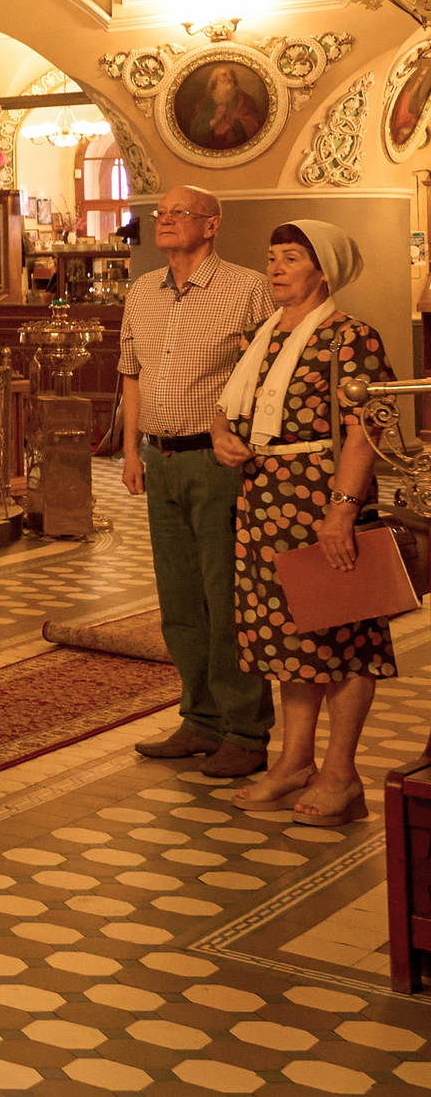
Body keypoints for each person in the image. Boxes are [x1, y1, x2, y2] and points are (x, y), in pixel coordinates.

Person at [211, 220, 393, 828]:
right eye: (273, 257)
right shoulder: (260, 337)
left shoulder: (350, 338)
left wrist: (342, 508)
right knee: (289, 640)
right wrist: (221, 438)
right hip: (264, 500)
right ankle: (293, 764)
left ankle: (342, 775)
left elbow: (366, 427)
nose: (276, 267)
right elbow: (229, 409)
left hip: (321, 500)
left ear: (325, 270)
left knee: (343, 638)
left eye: (291, 258)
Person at [118, 187, 274, 778]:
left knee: (226, 594)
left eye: (177, 214)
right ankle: (200, 719)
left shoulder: (246, 289)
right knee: (179, 597)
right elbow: (130, 374)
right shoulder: (142, 293)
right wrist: (131, 451)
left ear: (210, 226)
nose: (163, 222)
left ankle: (245, 730)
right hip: (161, 459)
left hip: (217, 464)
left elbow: (266, 374)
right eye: (160, 214)